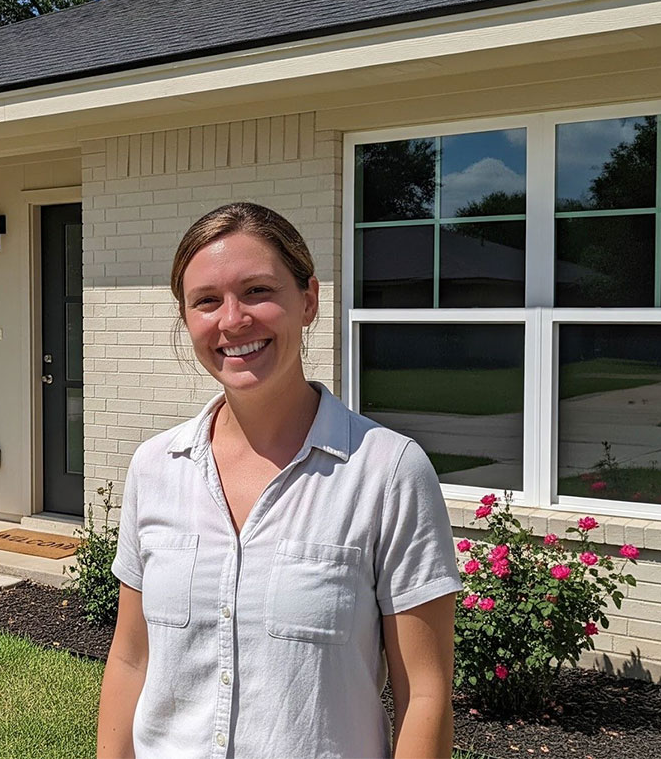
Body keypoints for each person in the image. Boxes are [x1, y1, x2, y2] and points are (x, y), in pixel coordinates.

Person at [96, 201, 463, 759]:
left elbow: (425, 694)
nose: (232, 320)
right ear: (187, 318)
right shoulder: (155, 467)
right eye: (206, 301)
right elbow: (131, 659)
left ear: (308, 300)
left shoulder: (387, 473)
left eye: (258, 291)